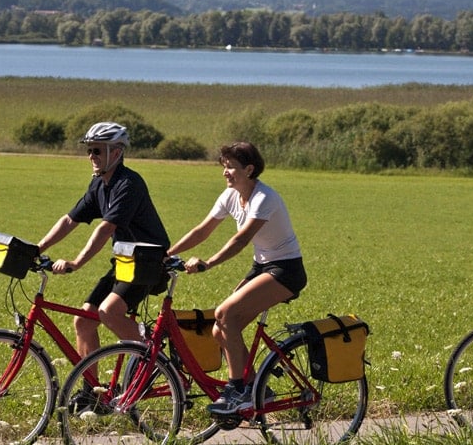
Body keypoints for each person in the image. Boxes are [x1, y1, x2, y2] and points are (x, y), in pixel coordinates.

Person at [167, 141, 306, 416]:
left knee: (225, 313)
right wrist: (167, 254)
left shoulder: (264, 198)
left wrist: (208, 262)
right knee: (220, 330)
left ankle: (237, 388)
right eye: (224, 166)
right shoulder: (230, 195)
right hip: (262, 266)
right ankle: (257, 389)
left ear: (249, 169)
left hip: (286, 270)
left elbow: (241, 240)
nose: (225, 172)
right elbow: (202, 230)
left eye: (231, 167)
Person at [36, 121, 170, 363]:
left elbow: (106, 228)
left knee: (109, 312)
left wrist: (76, 262)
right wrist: (37, 248)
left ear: (116, 152)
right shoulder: (99, 184)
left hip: (148, 262)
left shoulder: (128, 184)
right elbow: (69, 219)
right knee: (84, 321)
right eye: (88, 150)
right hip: (125, 262)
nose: (91, 156)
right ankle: (91, 392)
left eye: (97, 150)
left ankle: (158, 364)